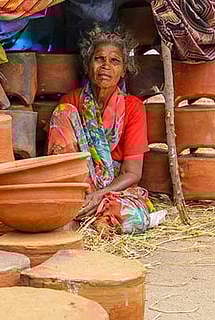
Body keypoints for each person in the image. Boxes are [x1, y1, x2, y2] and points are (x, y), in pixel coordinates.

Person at [47, 24, 154, 237]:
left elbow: (133, 172)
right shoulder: (71, 101)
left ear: (124, 70)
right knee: (63, 112)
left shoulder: (133, 107)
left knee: (135, 218)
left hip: (114, 191)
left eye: (114, 61)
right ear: (88, 65)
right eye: (99, 59)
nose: (106, 66)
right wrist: (85, 193)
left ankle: (87, 216)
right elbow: (58, 162)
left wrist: (100, 194)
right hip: (77, 188)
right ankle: (83, 212)